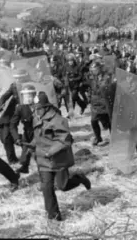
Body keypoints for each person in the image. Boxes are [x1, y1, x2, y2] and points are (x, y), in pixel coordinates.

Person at [30, 91, 92, 221]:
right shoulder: (36, 118)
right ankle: (54, 217)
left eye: (39, 109)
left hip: (57, 159)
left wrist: (50, 152)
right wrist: (31, 145)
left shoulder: (58, 120)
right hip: (43, 160)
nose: (36, 112)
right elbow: (39, 137)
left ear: (46, 107)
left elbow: (65, 140)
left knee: (63, 186)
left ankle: (79, 178)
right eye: (35, 109)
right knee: (47, 188)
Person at [10, 85, 38, 174]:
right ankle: (24, 167)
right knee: (24, 157)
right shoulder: (20, 108)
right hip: (28, 134)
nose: (28, 98)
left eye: (30, 95)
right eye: (25, 96)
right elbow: (13, 124)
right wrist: (16, 138)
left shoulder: (41, 105)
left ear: (34, 95)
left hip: (40, 133)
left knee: (40, 157)